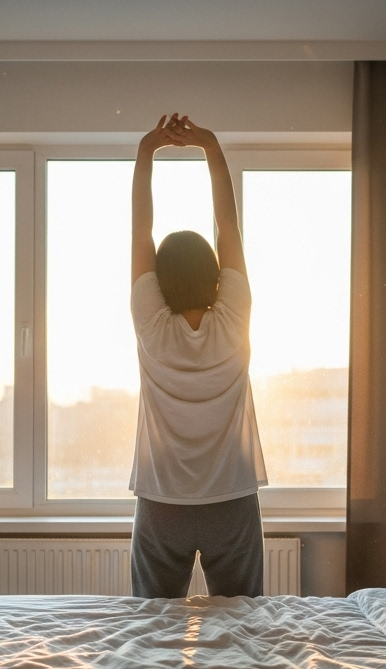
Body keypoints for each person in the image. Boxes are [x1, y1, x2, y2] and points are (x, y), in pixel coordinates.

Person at [128, 114, 268, 599]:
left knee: (151, 630)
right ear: (215, 274)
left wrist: (147, 152)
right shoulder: (234, 318)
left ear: (159, 280)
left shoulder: (151, 323)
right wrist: (211, 147)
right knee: (243, 629)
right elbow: (228, 225)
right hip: (231, 498)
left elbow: (140, 232)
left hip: (163, 499)